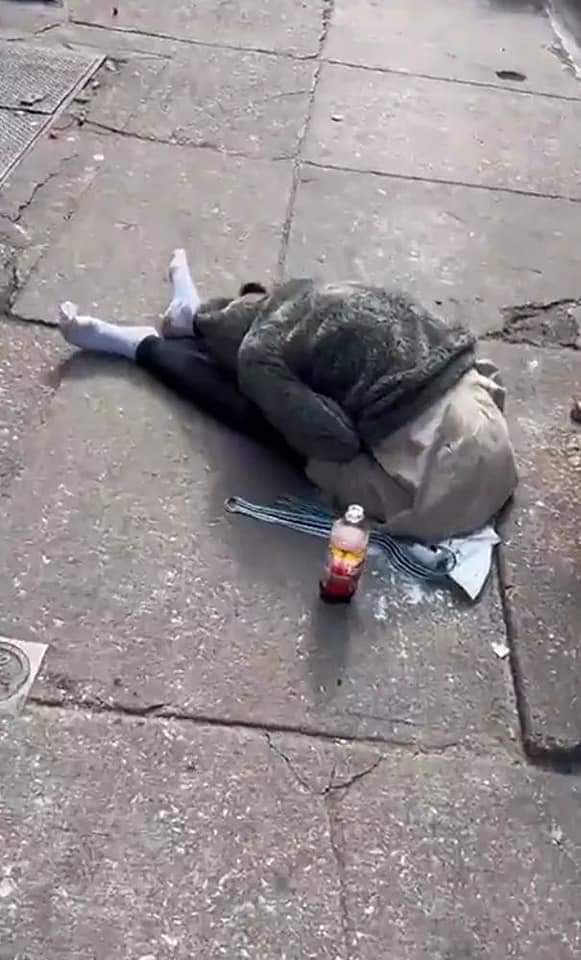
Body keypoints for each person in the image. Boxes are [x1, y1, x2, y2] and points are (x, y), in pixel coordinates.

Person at [58, 249, 518, 541]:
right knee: (310, 396)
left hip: (442, 494)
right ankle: (186, 317)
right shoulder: (323, 291)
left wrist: (286, 408)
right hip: (488, 432)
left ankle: (144, 345)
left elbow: (337, 445)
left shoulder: (259, 356)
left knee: (269, 422)